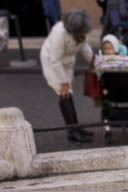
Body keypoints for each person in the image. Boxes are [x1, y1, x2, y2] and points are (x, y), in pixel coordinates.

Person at [41, 10, 95, 143]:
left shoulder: (80, 32)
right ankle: (72, 132)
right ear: (75, 30)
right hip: (52, 62)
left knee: (69, 94)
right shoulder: (59, 33)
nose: (84, 35)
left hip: (66, 63)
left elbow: (85, 49)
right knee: (64, 94)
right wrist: (64, 83)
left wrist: (98, 62)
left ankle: (76, 128)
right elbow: (55, 60)